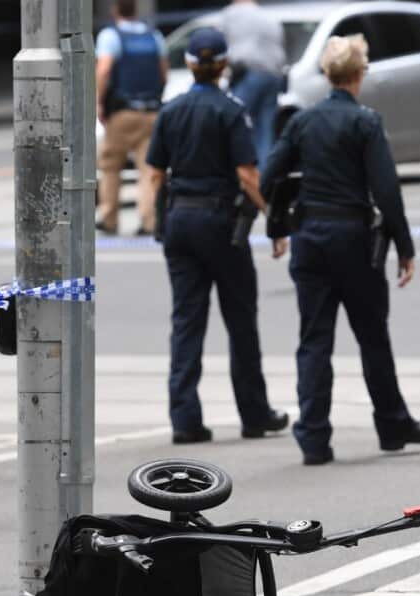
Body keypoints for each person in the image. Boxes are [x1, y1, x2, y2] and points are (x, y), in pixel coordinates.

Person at [261, 34, 420, 465]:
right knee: (373, 336)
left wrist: (279, 224)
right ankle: (393, 424)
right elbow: (386, 190)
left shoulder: (301, 122)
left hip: (310, 240)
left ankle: (314, 437)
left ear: (326, 73)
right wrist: (404, 247)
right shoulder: (366, 122)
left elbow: (269, 176)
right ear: (359, 74)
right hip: (354, 239)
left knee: (314, 339)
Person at [145, 28, 289, 445]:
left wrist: (164, 218)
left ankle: (185, 419)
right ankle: (254, 414)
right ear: (224, 65)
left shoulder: (171, 111)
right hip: (221, 225)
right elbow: (247, 175)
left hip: (180, 222)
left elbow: (155, 173)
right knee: (240, 319)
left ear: (189, 64)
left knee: (186, 322)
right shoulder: (231, 110)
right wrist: (274, 218)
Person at [96, 0, 167, 236]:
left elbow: (104, 70)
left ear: (116, 10)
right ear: (135, 10)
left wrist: (99, 101)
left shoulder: (110, 36)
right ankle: (149, 221)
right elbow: (163, 72)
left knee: (110, 165)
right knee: (148, 168)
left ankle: (109, 218)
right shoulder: (154, 36)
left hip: (122, 112)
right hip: (151, 110)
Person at [221, 0, 286, 167]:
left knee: (234, 124)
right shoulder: (267, 15)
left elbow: (220, 45)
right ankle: (263, 181)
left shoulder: (232, 13)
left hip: (248, 74)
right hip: (273, 75)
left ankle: (239, 176)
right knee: (265, 131)